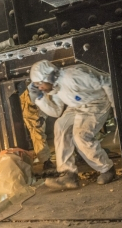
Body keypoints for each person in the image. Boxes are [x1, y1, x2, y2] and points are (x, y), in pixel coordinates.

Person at [29, 60, 116, 189]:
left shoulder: (74, 75)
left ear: (48, 76)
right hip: (76, 106)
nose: (39, 88)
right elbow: (56, 112)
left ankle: (107, 169)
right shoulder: (55, 87)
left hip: (96, 102)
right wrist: (39, 99)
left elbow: (107, 81)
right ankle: (68, 174)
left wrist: (116, 105)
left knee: (80, 135)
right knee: (60, 126)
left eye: (39, 84)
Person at [19, 83, 54, 171]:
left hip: (35, 113)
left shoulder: (36, 83)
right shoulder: (26, 86)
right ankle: (45, 161)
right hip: (29, 112)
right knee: (36, 136)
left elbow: (46, 98)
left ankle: (46, 161)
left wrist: (42, 115)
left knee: (38, 136)